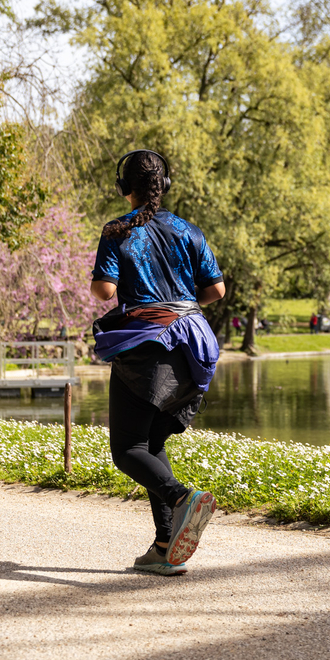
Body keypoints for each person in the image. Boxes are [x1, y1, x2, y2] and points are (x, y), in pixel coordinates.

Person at [90, 149, 223, 576]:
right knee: (153, 444)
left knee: (127, 450)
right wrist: (181, 307)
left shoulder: (118, 230)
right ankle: (166, 545)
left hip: (148, 348)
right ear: (163, 186)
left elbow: (105, 291)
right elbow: (216, 291)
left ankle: (184, 498)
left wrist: (152, 305)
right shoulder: (189, 231)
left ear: (123, 188)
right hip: (195, 347)